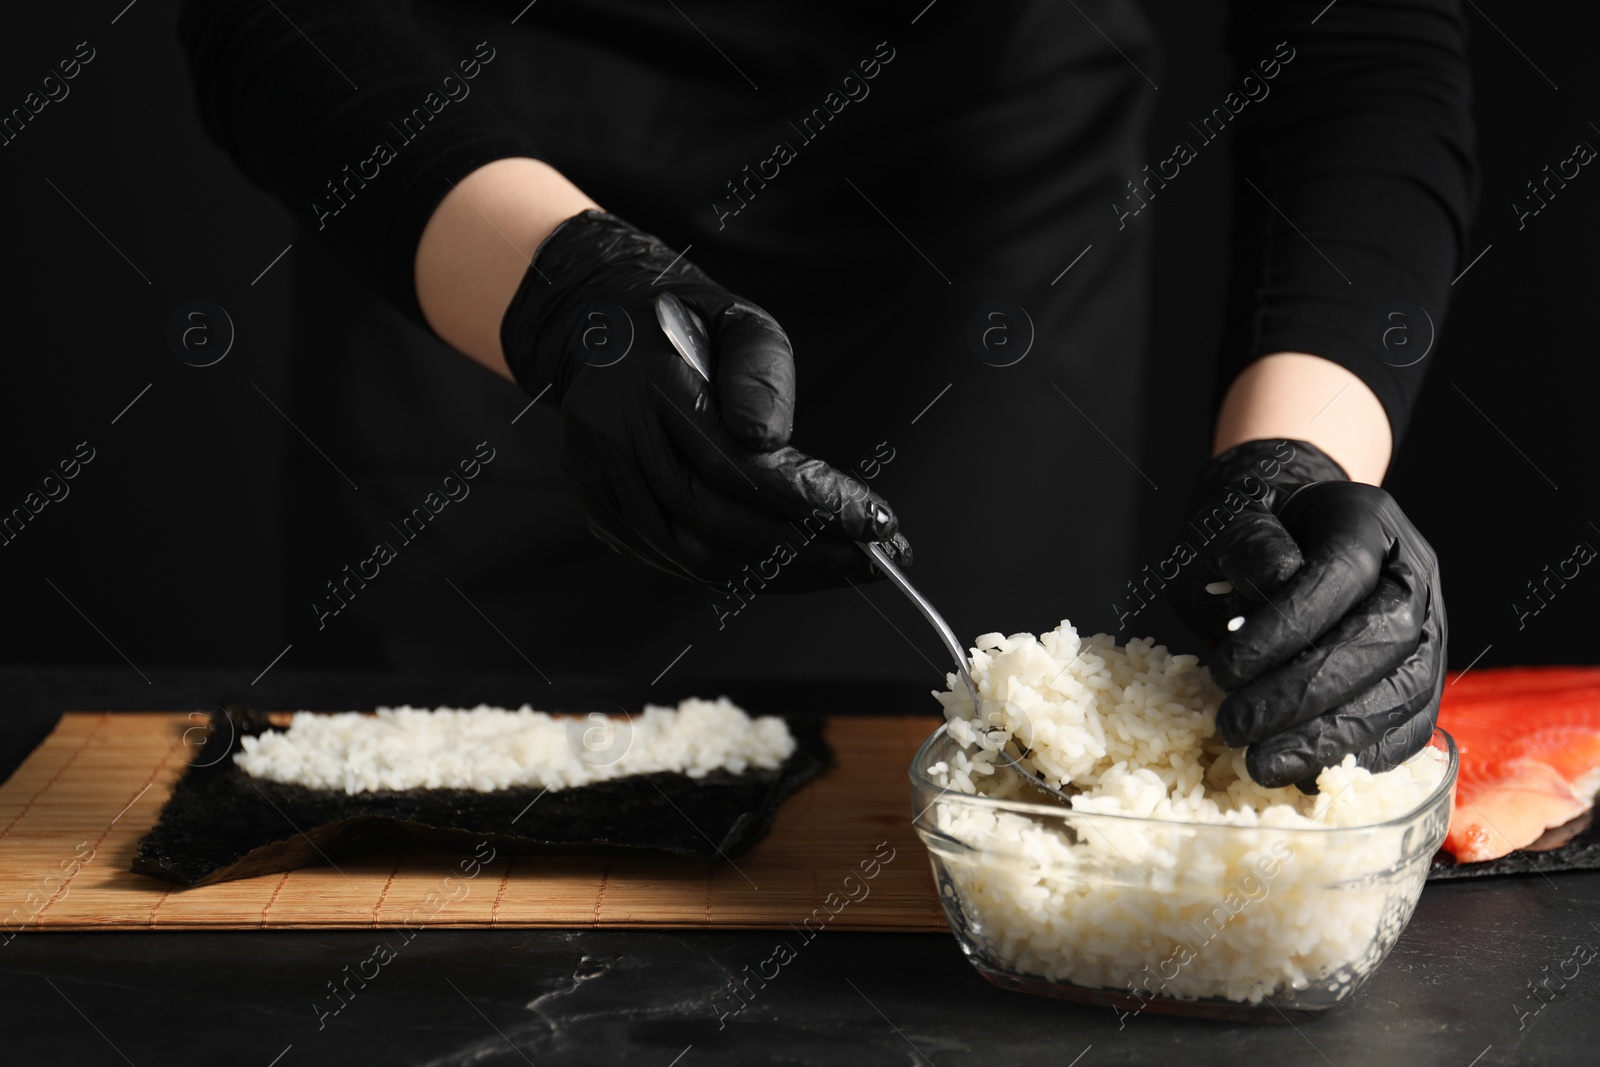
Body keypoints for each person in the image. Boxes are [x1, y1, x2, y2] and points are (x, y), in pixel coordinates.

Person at [178, 0, 1474, 789]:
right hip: (481, 223)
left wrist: (1298, 469)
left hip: (981, 257)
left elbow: (1361, 36)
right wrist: (557, 288)